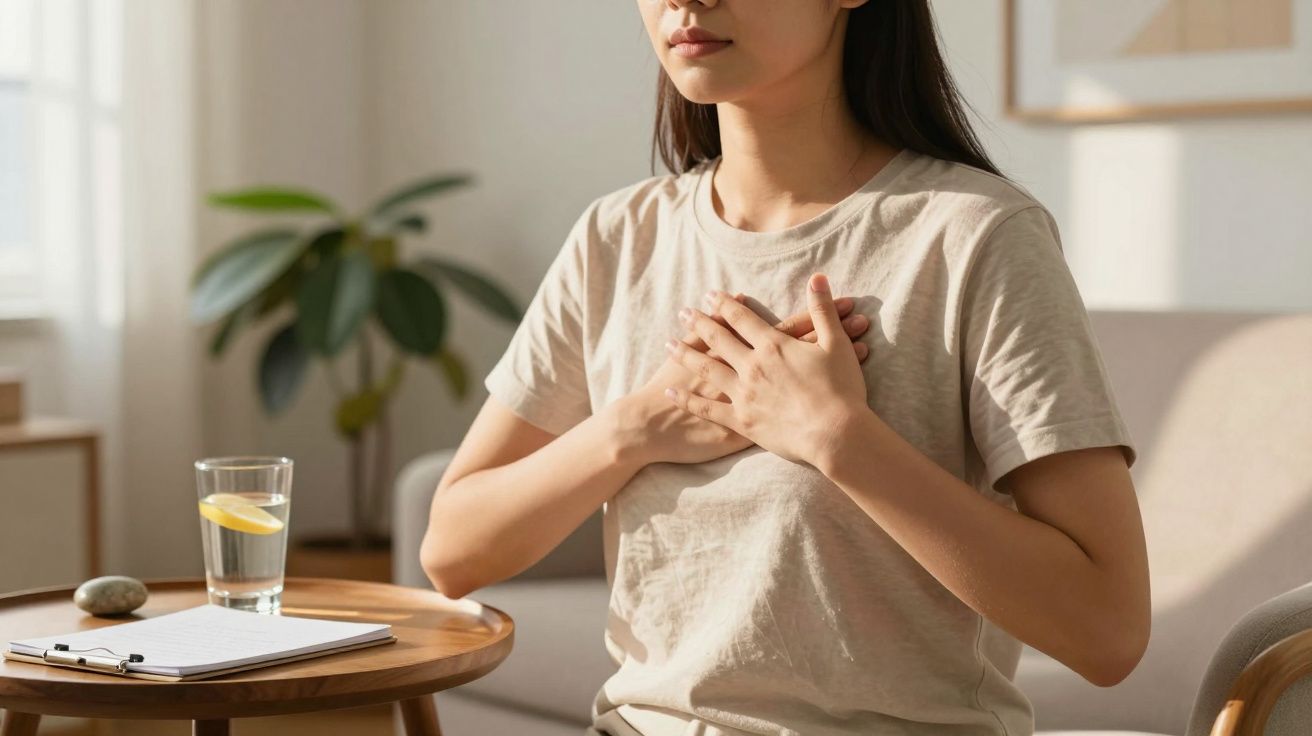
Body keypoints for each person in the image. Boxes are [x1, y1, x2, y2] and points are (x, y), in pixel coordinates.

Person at [420, 0, 1151, 734]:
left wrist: (837, 438)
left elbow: (1107, 632)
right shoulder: (618, 239)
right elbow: (452, 552)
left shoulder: (976, 239)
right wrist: (635, 428)